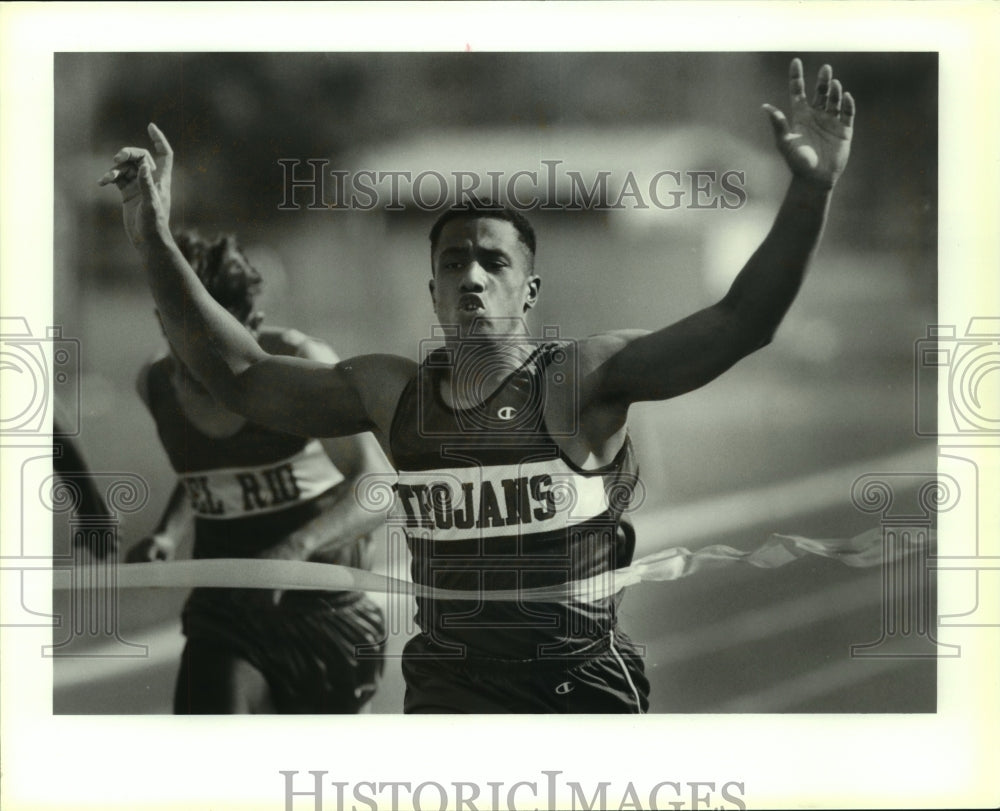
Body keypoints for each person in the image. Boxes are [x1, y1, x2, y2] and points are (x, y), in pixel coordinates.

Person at [101, 58, 854, 713]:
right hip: (450, 688)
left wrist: (811, 192)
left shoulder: (583, 378)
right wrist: (153, 237)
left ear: (529, 291)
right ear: (432, 292)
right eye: (454, 262)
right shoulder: (390, 394)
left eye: (493, 262)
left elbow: (740, 322)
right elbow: (242, 376)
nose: (470, 274)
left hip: (576, 688)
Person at [123, 227, 392, 714]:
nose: (196, 362)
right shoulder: (155, 384)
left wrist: (295, 549)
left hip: (323, 607)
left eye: (216, 345)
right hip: (226, 612)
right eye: (180, 337)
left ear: (253, 323)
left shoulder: (302, 361)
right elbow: (211, 476)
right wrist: (167, 533)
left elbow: (378, 487)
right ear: (161, 320)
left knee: (319, 785)